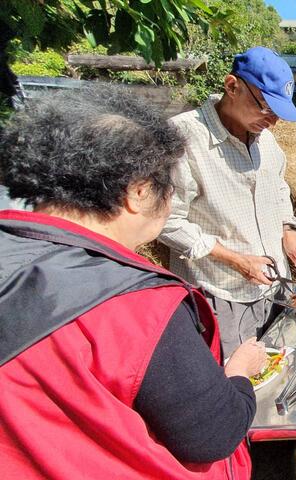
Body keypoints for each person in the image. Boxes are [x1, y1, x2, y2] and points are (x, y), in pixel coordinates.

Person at [0, 86, 267, 479]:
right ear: (139, 193)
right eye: (169, 188)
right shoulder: (138, 306)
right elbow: (213, 434)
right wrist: (239, 372)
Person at [159, 46, 296, 357]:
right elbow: (166, 221)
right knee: (234, 380)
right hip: (222, 294)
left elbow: (278, 188)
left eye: (278, 114)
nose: (272, 122)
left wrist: (288, 232)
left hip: (273, 286)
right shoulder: (183, 139)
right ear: (232, 86)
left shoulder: (265, 139)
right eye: (265, 107)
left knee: (277, 367)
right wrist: (235, 259)